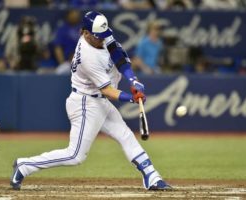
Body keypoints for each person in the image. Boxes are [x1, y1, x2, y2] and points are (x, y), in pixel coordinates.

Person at [10, 11, 171, 191]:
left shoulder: (100, 32)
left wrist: (133, 79)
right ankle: (24, 165)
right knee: (75, 156)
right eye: (97, 37)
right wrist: (131, 98)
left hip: (99, 102)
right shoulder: (87, 56)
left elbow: (118, 54)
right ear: (84, 33)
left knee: (125, 135)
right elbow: (108, 90)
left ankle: (152, 176)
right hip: (86, 104)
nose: (102, 40)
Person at [53, 9, 81, 74]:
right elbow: (57, 48)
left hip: (84, 62)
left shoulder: (84, 28)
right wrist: (62, 63)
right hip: (67, 62)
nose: (75, 15)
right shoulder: (62, 29)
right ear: (68, 15)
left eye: (76, 13)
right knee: (60, 71)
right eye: (72, 13)